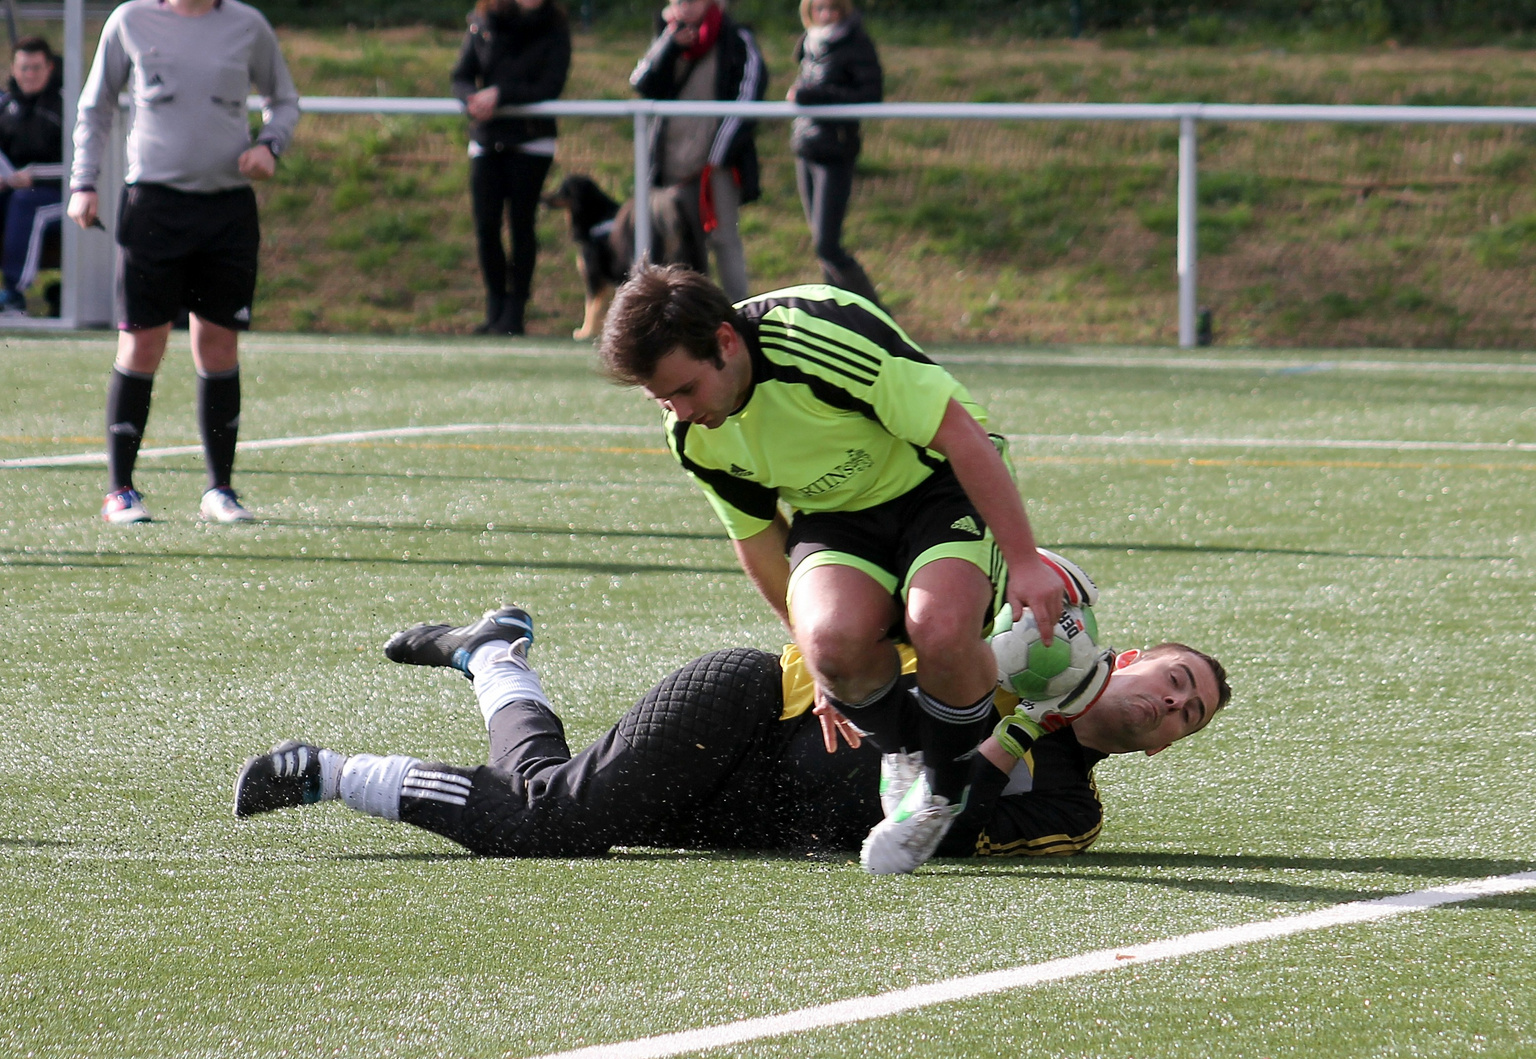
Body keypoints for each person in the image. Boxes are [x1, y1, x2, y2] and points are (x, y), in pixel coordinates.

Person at [597, 265, 1071, 874]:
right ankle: (905, 755)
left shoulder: (818, 335)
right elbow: (758, 536)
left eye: (685, 389)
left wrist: (1027, 562)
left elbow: (960, 433)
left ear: (724, 341)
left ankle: (943, 793)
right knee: (829, 644)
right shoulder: (692, 436)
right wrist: (812, 661)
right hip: (838, 514)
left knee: (941, 626)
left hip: (940, 483)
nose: (680, 411)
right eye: (662, 398)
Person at [232, 599, 1230, 864]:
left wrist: (1035, 722)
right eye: (1178, 680)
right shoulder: (997, 646)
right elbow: (865, 615)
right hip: (755, 703)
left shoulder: (1072, 808)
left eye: (1189, 718)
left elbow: (945, 828)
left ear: (1163, 748)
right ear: (1132, 656)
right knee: (544, 823)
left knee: (550, 791)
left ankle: (494, 655)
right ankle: (325, 770)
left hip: (750, 817)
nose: (1174, 706)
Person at [68, 0, 300, 526]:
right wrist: (84, 182)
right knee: (143, 341)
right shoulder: (130, 20)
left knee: (218, 343)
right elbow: (96, 106)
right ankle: (120, 491)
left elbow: (284, 100)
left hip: (228, 208)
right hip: (154, 206)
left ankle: (220, 489)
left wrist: (270, 144)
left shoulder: (247, 24)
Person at [630, 0, 766, 301]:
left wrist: (717, 156)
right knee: (673, 246)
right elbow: (641, 82)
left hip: (716, 166)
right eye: (679, 1)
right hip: (671, 166)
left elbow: (749, 98)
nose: (685, 7)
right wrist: (668, 45)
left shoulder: (737, 40)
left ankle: (739, 315)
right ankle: (678, 320)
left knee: (724, 240)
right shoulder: (666, 37)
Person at [450, 0, 571, 336]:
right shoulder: (484, 21)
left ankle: (514, 312)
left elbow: (550, 86)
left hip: (531, 141)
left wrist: (501, 96)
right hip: (487, 140)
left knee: (521, 224)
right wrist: (471, 99)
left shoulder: (555, 27)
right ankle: (494, 306)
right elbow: (460, 75)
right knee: (486, 227)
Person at [787, 0, 882, 306]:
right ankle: (840, 316)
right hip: (807, 147)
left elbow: (869, 95)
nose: (825, 15)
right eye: (819, 9)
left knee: (827, 245)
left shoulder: (856, 43)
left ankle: (877, 317)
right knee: (820, 246)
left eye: (831, 8)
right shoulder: (809, 41)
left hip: (835, 149)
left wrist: (812, 97)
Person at [0, 37, 64, 314]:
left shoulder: (66, 106)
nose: (30, 75)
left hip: (64, 194)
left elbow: (79, 164)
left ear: (49, 68)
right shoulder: (6, 106)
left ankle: (15, 294)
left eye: (36, 68)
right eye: (24, 68)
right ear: (13, 69)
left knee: (26, 203)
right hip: (16, 191)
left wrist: (35, 176)